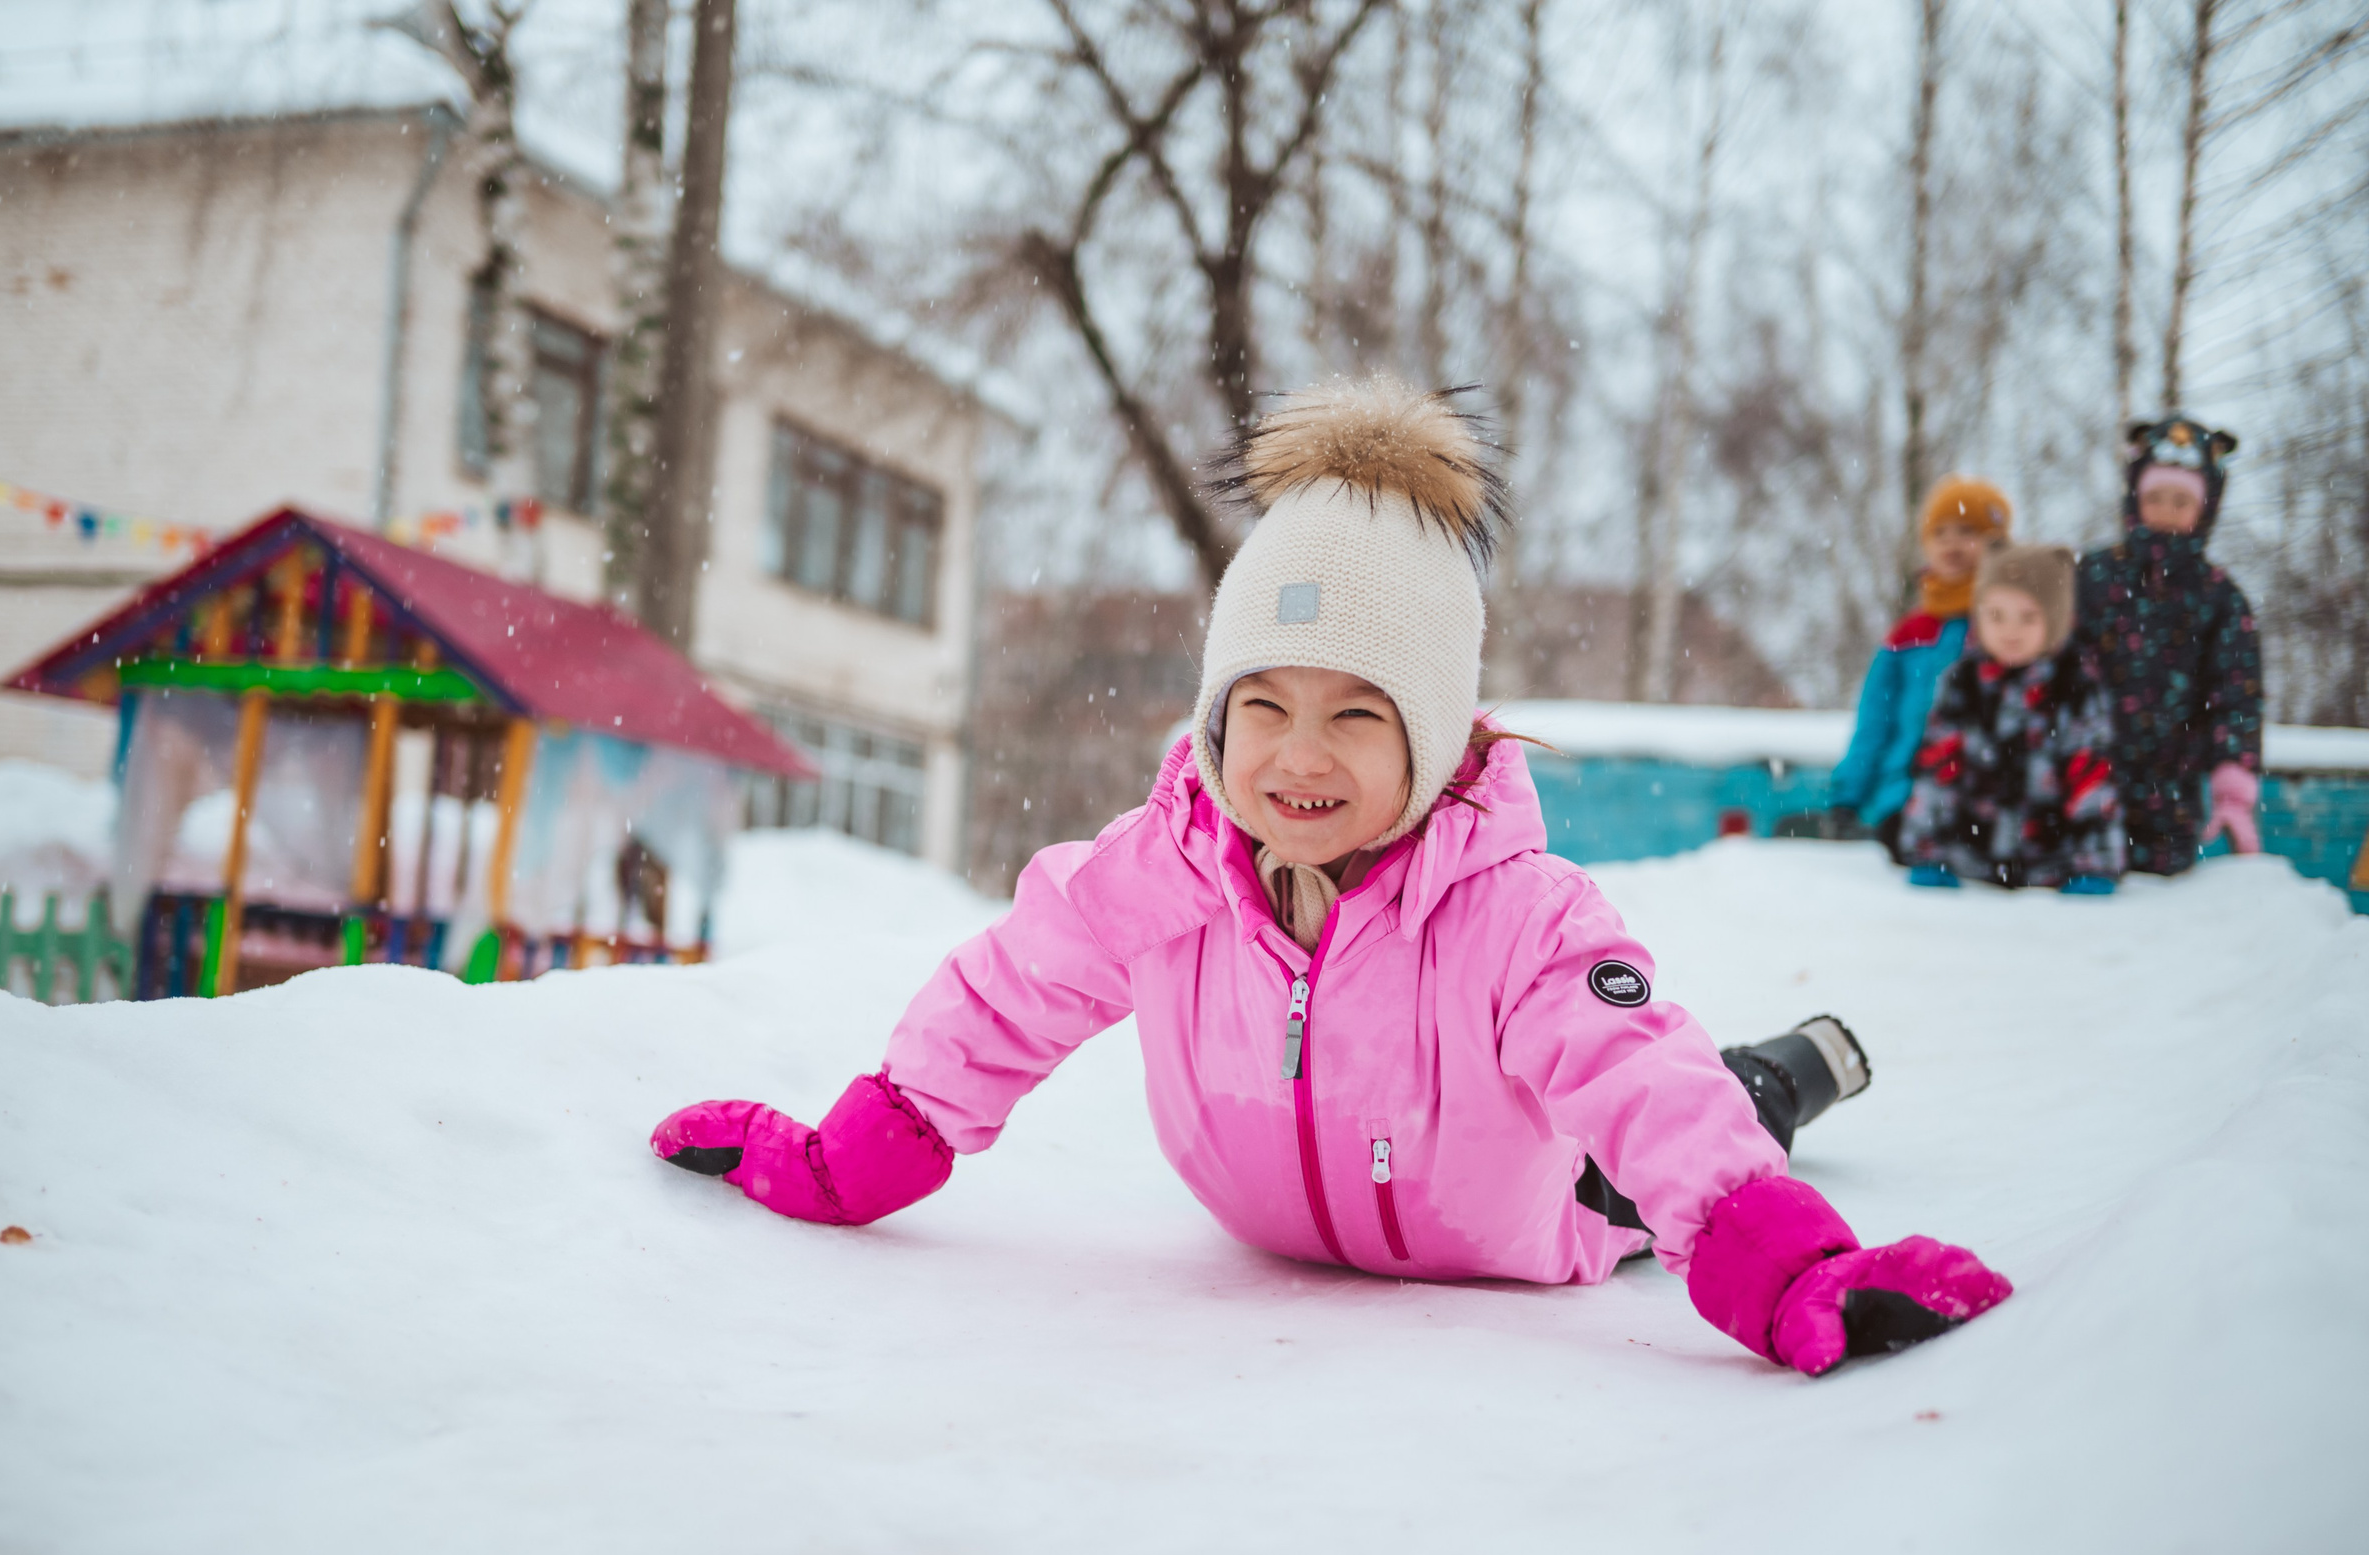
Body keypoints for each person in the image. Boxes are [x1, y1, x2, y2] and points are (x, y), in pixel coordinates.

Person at [647, 378, 2011, 1379]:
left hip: (1524, 1218)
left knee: (1723, 1097)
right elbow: (1004, 996)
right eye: (1265, 707)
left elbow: (1643, 1082)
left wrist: (1788, 1271)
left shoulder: (1516, 914)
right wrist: (847, 1158)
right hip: (1272, 1224)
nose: (1300, 756)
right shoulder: (1159, 875)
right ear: (1215, 717)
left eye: (1358, 713)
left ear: (1436, 736)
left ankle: (1799, 1067)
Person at [2073, 416, 2264, 875]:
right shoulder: (2093, 577)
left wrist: (2232, 789)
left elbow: (2235, 695)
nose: (2165, 510)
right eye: (2154, 497)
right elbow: (2058, 665)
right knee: (2079, 887)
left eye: (2181, 501)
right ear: (2135, 499)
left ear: (2205, 507)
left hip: (2171, 794)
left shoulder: (2219, 598)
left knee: (2159, 900)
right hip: (2084, 778)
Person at [1785, 477, 2012, 855]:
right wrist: (1848, 798)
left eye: (1967, 531)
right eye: (1940, 533)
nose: (1952, 543)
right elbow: (1876, 721)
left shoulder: (2014, 628)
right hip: (1906, 798)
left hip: (1992, 801)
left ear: (1997, 542)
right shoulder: (1909, 634)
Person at [1895, 544, 2128, 893]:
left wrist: (2094, 863)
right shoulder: (1962, 682)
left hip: (2052, 864)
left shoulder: (2075, 685)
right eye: (1996, 616)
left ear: (2055, 620)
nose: (2010, 630)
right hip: (1971, 859)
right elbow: (1938, 769)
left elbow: (2091, 776)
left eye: (2028, 617)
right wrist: (1927, 850)